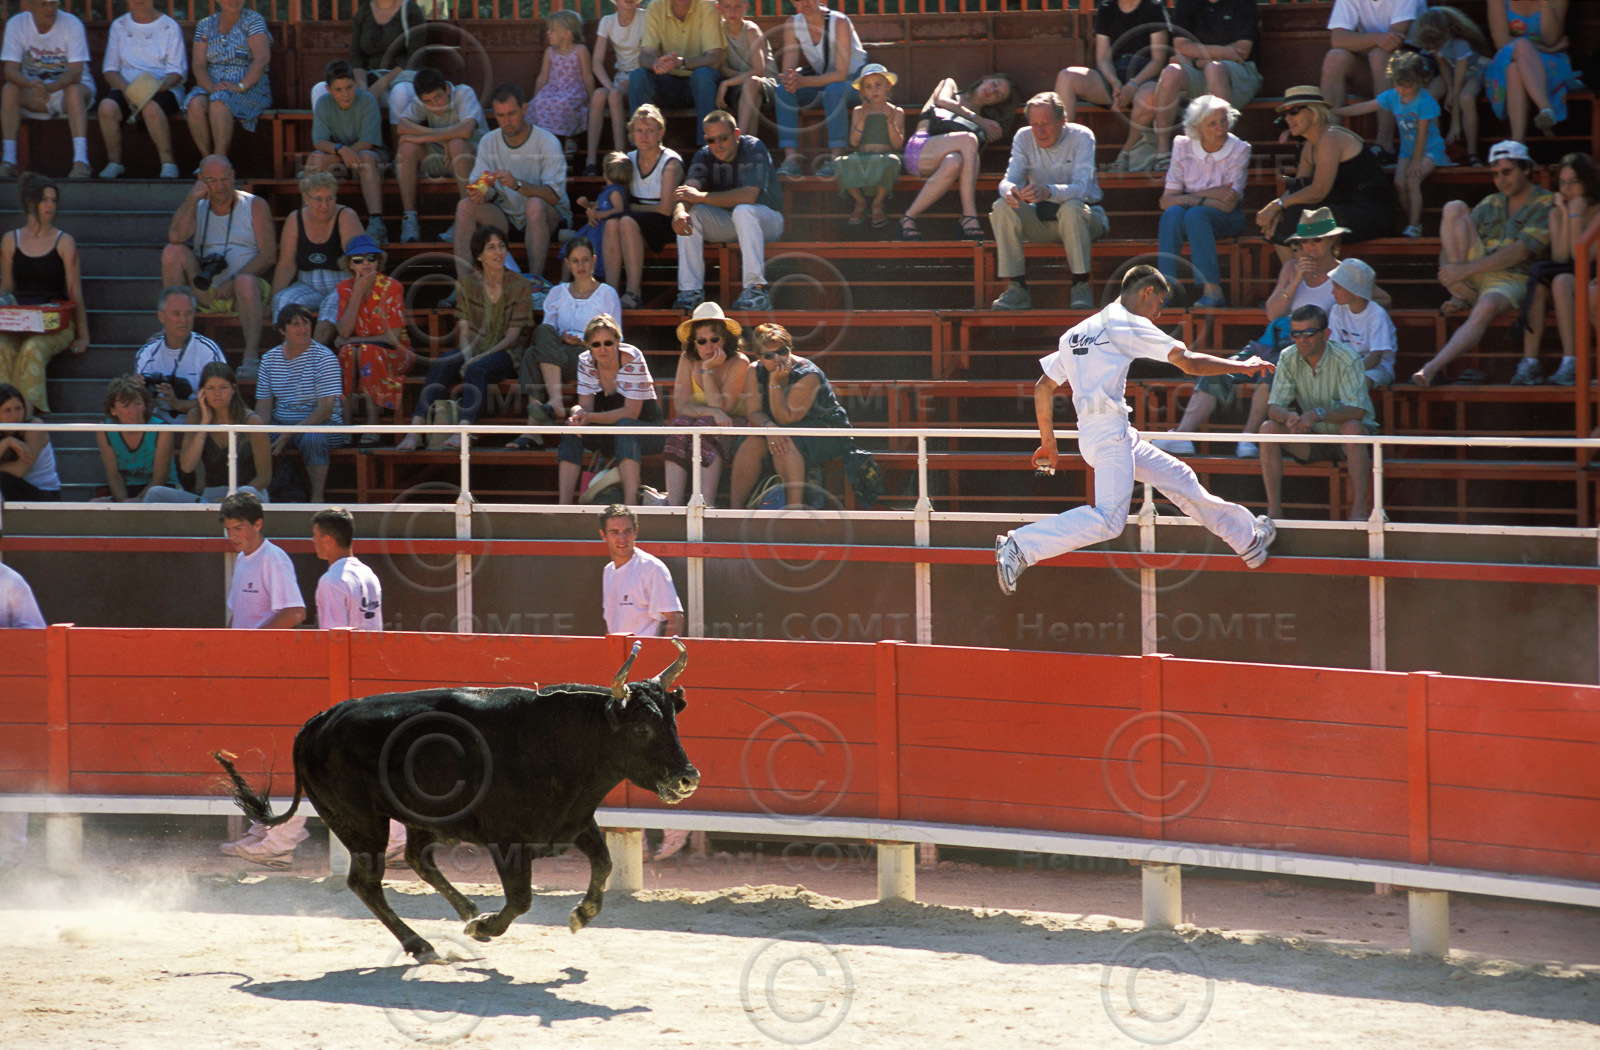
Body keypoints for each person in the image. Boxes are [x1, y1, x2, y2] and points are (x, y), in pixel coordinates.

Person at [993, 265, 1277, 597]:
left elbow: (1043, 387)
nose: (1159, 313)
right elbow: (1187, 361)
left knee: (1180, 477)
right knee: (1109, 520)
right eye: (1160, 303)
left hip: (1103, 435)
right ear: (1146, 292)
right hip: (1111, 436)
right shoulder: (1126, 323)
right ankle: (1020, 546)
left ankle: (1247, 539)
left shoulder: (1076, 333)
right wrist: (1241, 366)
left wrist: (1048, 442)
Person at [1153, 208, 1390, 459]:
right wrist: (1296, 280)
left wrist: (1351, 312)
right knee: (1219, 370)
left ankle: (1248, 438)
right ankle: (1184, 435)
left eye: (1316, 240)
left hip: (1309, 347)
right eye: (1304, 241)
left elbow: (1382, 300)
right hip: (1274, 339)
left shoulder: (1346, 274)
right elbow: (1271, 313)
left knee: (1270, 372)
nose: (1309, 246)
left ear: (1332, 240)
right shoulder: (1290, 267)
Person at [1412, 140, 1554, 388]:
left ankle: (1431, 367)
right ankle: (1460, 295)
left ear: (1526, 169)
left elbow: (1520, 252)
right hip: (1473, 273)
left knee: (1485, 307)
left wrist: (1460, 271)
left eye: (1507, 171)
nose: (1501, 179)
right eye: (1496, 173)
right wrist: (1448, 275)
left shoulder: (1545, 202)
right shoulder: (1491, 202)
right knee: (1454, 207)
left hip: (1515, 278)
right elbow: (1447, 248)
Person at [218, 490, 308, 868]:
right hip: (246, 670)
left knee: (273, 752)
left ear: (258, 524)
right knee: (255, 750)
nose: (234, 535)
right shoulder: (243, 559)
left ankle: (281, 837)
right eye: (228, 529)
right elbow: (237, 616)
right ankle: (266, 825)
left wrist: (253, 647)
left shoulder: (273, 558)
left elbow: (295, 612)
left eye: (240, 528)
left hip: (271, 671)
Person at [597, 501, 688, 860]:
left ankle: (674, 826)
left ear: (637, 532)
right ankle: (645, 836)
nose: (622, 538)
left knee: (653, 749)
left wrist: (659, 677)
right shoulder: (608, 571)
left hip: (646, 678)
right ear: (603, 535)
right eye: (615, 532)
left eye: (628, 531)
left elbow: (674, 618)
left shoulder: (651, 568)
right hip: (622, 677)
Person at [397, 226, 532, 452]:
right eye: (491, 247)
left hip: (507, 353)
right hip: (474, 348)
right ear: (479, 255)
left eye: (501, 246)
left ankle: (464, 430)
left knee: (477, 368)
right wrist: (468, 356)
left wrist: (478, 358)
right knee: (445, 360)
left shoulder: (520, 285)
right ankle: (415, 429)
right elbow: (465, 330)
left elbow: (513, 336)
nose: (499, 252)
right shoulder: (467, 284)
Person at [727, 322, 882, 510]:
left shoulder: (807, 374)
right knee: (752, 442)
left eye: (782, 351)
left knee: (785, 439)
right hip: (782, 427)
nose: (778, 359)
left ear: (790, 349)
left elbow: (786, 418)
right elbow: (754, 413)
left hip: (825, 429)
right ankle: (735, 509)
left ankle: (793, 508)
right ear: (759, 357)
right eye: (769, 355)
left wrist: (774, 382)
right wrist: (769, 427)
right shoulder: (754, 370)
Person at [1257, 304, 1378, 522]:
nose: (1302, 339)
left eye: (1309, 333)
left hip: (1350, 439)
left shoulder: (1347, 357)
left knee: (1352, 427)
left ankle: (1359, 512)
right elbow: (1273, 407)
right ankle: (1274, 513)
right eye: (1296, 334)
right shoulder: (1287, 356)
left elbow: (1357, 411)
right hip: (1311, 436)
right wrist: (1288, 417)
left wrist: (1317, 414)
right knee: (1268, 429)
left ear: (1326, 334)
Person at [452, 82, 567, 308]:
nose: (507, 121)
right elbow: (481, 186)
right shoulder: (489, 141)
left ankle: (535, 284)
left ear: (524, 109)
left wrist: (518, 185)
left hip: (547, 217)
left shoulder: (547, 141)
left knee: (533, 204)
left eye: (512, 114)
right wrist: (482, 194)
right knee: (465, 206)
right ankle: (464, 287)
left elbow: (553, 196)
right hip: (506, 217)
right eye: (500, 115)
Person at [989, 92, 1105, 312]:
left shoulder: (1082, 137)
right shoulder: (1023, 137)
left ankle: (1081, 284)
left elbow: (1082, 188)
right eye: (1034, 124)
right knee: (1002, 206)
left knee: (1071, 208)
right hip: (1041, 218)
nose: (1039, 131)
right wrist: (1010, 190)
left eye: (1045, 124)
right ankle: (1016, 287)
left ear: (1062, 121)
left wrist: (1047, 192)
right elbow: (1008, 180)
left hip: (1085, 217)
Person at [161, 157, 274, 381]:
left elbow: (269, 255)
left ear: (233, 176)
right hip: (208, 287)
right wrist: (193, 197)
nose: (220, 186)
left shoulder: (254, 204)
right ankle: (174, 341)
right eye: (212, 180)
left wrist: (233, 281)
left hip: (246, 286)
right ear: (201, 180)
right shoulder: (199, 205)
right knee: (172, 252)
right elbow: (176, 236)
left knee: (244, 282)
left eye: (225, 179)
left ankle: (250, 357)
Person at [1255, 87, 1398, 260]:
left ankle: (1306, 281)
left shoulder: (1331, 137)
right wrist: (1277, 211)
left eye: (1294, 111)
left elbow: (1318, 191)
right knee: (1283, 221)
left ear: (1314, 111)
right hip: (1342, 208)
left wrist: (1277, 205)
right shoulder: (1310, 146)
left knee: (1299, 218)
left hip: (1370, 213)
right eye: (1285, 114)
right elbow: (1298, 187)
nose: (1288, 118)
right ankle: (1295, 281)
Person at [671, 108, 783, 313]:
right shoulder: (704, 155)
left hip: (767, 219)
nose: (718, 145)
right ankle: (690, 291)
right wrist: (679, 211)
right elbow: (688, 189)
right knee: (691, 215)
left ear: (737, 134)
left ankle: (755, 289)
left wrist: (701, 197)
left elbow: (749, 196)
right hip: (731, 220)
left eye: (723, 138)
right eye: (712, 140)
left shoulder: (753, 147)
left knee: (743, 210)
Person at [1335, 51, 1449, 238]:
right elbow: (1365, 107)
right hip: (1407, 150)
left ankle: (1414, 225)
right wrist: (1338, 111)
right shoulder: (1392, 96)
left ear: (1419, 80)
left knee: (1413, 180)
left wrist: (1416, 161)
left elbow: (1422, 134)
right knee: (1398, 183)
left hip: (1429, 149)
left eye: (1408, 86)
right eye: (1398, 85)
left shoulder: (1425, 100)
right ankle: (1412, 220)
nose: (1402, 90)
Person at [0, 172, 87, 414]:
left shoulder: (64, 241)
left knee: (32, 349)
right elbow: (6, 288)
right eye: (44, 200)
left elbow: (74, 291)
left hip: (54, 321)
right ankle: (3, 413)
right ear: (30, 203)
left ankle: (25, 414)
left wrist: (83, 335)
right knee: (2, 348)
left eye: (53, 200)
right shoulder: (10, 240)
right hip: (20, 319)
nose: (50, 206)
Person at [1512, 152, 1599, 387]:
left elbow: (1580, 256)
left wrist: (1575, 215)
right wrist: (1564, 214)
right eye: (1562, 182)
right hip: (1570, 275)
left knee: (1561, 281)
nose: (1567, 189)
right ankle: (1533, 362)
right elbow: (1562, 256)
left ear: (1588, 182)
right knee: (1545, 283)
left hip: (1592, 275)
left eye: (1574, 182)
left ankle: (1573, 361)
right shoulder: (1557, 212)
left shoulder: (1597, 212)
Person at [1143, 0, 1262, 169]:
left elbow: (1241, 50)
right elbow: (1181, 45)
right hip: (1200, 68)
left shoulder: (1244, 3)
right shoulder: (1186, 4)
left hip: (1241, 72)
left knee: (1214, 69)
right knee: (1171, 72)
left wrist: (1197, 60)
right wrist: (1219, 53)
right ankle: (1162, 152)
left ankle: (1223, 150)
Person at [557, 313, 662, 505]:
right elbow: (586, 405)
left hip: (647, 430)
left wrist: (589, 417)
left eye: (608, 343)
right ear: (589, 346)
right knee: (571, 430)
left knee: (624, 427)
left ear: (618, 342)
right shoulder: (586, 361)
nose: (602, 349)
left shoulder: (632, 358)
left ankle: (630, 507)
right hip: (609, 430)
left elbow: (631, 413)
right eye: (596, 344)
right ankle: (563, 506)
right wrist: (577, 414)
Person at [1055, 0, 1171, 173]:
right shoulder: (1106, 8)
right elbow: (1103, 58)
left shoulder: (1154, 7)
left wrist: (1132, 85)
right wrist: (1115, 83)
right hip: (1113, 76)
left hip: (1145, 78)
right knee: (1066, 76)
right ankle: (1062, 155)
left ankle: (1124, 153)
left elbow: (1158, 59)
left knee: (1151, 95)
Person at [1157, 93, 1249, 309]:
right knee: (1173, 214)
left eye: (1224, 121)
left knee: (1194, 214)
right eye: (1213, 124)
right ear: (1198, 128)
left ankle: (1212, 291)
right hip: (1190, 214)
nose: (1221, 129)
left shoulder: (1240, 149)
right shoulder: (1182, 146)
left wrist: (1187, 200)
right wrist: (1209, 195)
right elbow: (1166, 202)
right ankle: (1165, 288)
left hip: (1229, 218)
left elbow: (1227, 204)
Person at [900, 73, 1015, 241]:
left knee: (955, 160)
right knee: (969, 139)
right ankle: (969, 215)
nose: (992, 91)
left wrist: (986, 130)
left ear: (997, 103)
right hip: (919, 150)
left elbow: (971, 158)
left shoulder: (984, 123)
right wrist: (979, 121)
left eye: (998, 95)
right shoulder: (950, 85)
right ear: (985, 79)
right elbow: (941, 100)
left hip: (946, 164)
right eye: (994, 84)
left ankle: (908, 218)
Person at [523, 234, 620, 430]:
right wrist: (562, 337)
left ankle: (534, 428)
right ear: (567, 263)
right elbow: (547, 334)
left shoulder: (607, 294)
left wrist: (584, 343)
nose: (581, 266)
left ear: (594, 260)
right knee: (540, 335)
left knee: (531, 355)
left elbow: (617, 340)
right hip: (561, 355)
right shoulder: (557, 292)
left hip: (592, 356)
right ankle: (554, 401)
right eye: (575, 261)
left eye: (585, 260)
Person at [322, 235, 412, 445]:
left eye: (371, 258)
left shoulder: (392, 286)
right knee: (349, 352)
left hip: (395, 353)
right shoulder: (344, 288)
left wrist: (353, 340)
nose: (366, 263)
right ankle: (346, 422)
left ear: (378, 261)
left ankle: (373, 421)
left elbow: (394, 337)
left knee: (364, 350)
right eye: (358, 260)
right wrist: (358, 292)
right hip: (358, 353)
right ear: (349, 264)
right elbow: (343, 332)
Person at [142, 360, 272, 504]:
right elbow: (187, 466)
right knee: (156, 494)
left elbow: (264, 477)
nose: (217, 393)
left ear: (233, 389)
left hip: (249, 495)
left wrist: (232, 500)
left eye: (223, 387)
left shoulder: (252, 421)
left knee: (247, 492)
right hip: (212, 497)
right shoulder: (195, 417)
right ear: (202, 392)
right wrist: (204, 423)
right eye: (211, 388)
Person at [254, 303, 345, 503]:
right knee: (251, 435)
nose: (303, 329)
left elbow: (326, 410)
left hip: (324, 425)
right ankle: (255, 495)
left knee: (313, 438)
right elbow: (263, 407)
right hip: (282, 425)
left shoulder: (325, 358)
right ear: (281, 330)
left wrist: (291, 431)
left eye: (305, 323)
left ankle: (317, 498)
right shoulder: (269, 359)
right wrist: (260, 432)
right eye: (295, 324)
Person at [663, 301, 748, 505]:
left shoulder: (740, 362)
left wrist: (707, 370)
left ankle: (704, 504)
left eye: (714, 339)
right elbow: (681, 406)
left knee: (705, 426)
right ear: (693, 343)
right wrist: (710, 411)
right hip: (707, 422)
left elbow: (724, 409)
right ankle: (672, 505)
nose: (708, 346)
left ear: (725, 339)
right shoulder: (687, 359)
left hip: (737, 427)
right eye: (702, 341)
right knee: (679, 425)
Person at [0, 0, 95, 178]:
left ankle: (81, 162)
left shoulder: (72, 23)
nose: (50, 9)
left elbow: (76, 72)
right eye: (43, 4)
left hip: (70, 91)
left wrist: (50, 88)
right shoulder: (16, 24)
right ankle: (9, 160)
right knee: (9, 89)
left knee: (74, 91)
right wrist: (31, 85)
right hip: (35, 91)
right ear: (30, 6)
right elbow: (10, 70)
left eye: (53, 3)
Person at [1320, 0, 1425, 160]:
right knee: (1335, 58)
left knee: (1379, 55)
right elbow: (1338, 39)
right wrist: (1376, 38)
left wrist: (1362, 41)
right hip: (1376, 73)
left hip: (1415, 73)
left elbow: (1394, 40)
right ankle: (1329, 143)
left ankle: (1384, 145)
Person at [773, 0, 867, 178]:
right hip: (821, 81)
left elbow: (840, 74)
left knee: (834, 90)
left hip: (854, 83)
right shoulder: (793, 23)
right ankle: (791, 160)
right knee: (783, 91)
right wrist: (791, 81)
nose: (805, 2)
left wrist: (803, 82)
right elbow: (788, 72)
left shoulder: (839, 22)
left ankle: (836, 159)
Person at [96, 0, 187, 180]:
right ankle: (115, 162)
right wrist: (130, 91)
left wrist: (151, 90)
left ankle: (168, 163)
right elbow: (110, 70)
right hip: (125, 87)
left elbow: (176, 72)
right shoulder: (119, 25)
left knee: (150, 107)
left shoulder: (169, 26)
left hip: (161, 88)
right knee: (107, 107)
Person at [606, 103, 683, 310]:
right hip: (636, 218)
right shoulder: (628, 160)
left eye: (650, 131)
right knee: (612, 223)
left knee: (626, 221)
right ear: (631, 133)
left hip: (665, 222)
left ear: (661, 132)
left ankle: (633, 291)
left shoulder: (670, 162)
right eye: (639, 130)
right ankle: (610, 292)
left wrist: (628, 209)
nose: (644, 136)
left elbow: (665, 209)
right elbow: (613, 193)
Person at [304, 60, 390, 245]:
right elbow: (319, 141)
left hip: (372, 154)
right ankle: (309, 220)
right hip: (341, 153)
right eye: (338, 89)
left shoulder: (367, 100)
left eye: (349, 87)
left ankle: (377, 222)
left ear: (355, 84)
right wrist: (341, 150)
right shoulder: (324, 103)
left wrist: (343, 154)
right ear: (329, 89)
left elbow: (368, 142)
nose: (345, 94)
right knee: (314, 160)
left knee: (366, 158)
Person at [395, 67, 483, 244]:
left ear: (447, 89)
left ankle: (466, 217)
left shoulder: (464, 93)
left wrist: (429, 137)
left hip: (474, 160)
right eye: (428, 101)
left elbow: (466, 131)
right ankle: (410, 219)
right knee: (406, 149)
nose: (436, 105)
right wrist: (443, 139)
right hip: (442, 157)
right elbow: (402, 127)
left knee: (456, 144)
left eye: (438, 97)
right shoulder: (424, 101)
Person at [183, 0, 272, 162]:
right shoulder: (205, 25)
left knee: (220, 101)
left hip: (249, 86)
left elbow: (262, 59)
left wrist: (241, 85)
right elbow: (199, 64)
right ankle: (206, 160)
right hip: (211, 83)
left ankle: (220, 160)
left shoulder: (253, 20)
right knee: (195, 103)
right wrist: (210, 86)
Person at [270, 170, 362, 325]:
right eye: (318, 199)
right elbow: (286, 266)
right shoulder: (295, 219)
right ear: (306, 198)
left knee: (329, 307)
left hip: (341, 282)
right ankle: (289, 348)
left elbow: (359, 262)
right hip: (308, 284)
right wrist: (272, 300)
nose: (324, 206)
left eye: (330, 199)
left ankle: (318, 349)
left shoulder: (346, 216)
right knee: (282, 301)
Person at [630, 0, 725, 148]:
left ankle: (707, 149)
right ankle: (640, 150)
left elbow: (714, 58)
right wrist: (657, 64)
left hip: (701, 84)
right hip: (668, 82)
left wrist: (682, 63)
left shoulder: (707, 6)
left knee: (703, 75)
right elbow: (645, 56)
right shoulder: (656, 6)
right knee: (638, 76)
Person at [0, 548, 43, 871]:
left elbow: (34, 636)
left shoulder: (9, 581)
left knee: (10, 772)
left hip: (6, 694)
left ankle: (9, 859)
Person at [1485, 0, 1580, 143]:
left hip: (1550, 61)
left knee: (1515, 68)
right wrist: (1543, 48)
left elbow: (1551, 39)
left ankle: (1518, 143)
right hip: (1509, 56)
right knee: (1517, 56)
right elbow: (1502, 42)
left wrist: (1545, 3)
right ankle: (1546, 109)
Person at [1409, 5, 1491, 166]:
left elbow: (1460, 81)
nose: (1433, 50)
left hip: (1473, 73)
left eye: (1435, 46)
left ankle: (1472, 152)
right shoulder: (1435, 45)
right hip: (1452, 72)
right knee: (1428, 97)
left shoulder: (1460, 44)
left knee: (1466, 98)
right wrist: (1449, 90)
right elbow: (1444, 67)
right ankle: (1435, 149)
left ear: (1447, 32)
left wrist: (1455, 123)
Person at [321, 0, 425, 122]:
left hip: (401, 78)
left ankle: (399, 139)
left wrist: (379, 86)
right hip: (370, 77)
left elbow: (414, 55)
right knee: (321, 89)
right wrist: (363, 88)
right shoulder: (363, 12)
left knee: (400, 93)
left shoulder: (411, 10)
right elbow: (356, 56)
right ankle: (333, 140)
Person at [134, 287, 225, 420]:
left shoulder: (208, 350)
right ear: (161, 316)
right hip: (158, 426)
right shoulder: (147, 352)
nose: (183, 320)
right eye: (176, 314)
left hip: (200, 424)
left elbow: (221, 399)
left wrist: (178, 404)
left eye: (188, 313)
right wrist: (137, 390)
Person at [834, 63, 904, 230]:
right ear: (863, 92)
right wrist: (863, 121)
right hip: (863, 157)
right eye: (868, 87)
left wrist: (890, 123)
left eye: (878, 85)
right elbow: (853, 142)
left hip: (884, 157)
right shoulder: (859, 111)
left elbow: (898, 144)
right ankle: (860, 202)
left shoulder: (897, 112)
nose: (874, 90)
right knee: (840, 162)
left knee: (893, 161)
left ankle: (878, 203)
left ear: (888, 87)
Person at [586, 0, 646, 175]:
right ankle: (591, 161)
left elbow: (653, 51)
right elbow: (596, 62)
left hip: (640, 77)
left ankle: (621, 156)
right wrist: (609, 86)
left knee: (613, 96)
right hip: (619, 79)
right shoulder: (607, 21)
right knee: (598, 95)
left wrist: (633, 78)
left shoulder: (646, 16)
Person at [93, 376, 172, 503]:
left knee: (132, 503)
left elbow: (159, 479)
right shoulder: (104, 430)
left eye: (138, 404)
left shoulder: (162, 429)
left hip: (159, 490)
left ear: (145, 405)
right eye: (126, 406)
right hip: (126, 490)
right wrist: (124, 504)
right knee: (95, 504)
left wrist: (134, 504)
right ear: (113, 410)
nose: (134, 411)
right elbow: (114, 476)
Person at [1327, 258, 1396, 390]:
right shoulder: (1336, 310)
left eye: (1337, 287)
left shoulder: (1377, 314)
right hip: (1345, 369)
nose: (1332, 292)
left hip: (1377, 369)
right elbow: (1334, 349)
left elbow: (1376, 357)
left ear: (1356, 293)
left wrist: (1351, 373)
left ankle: (1350, 409)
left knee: (1359, 382)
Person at [529, 8, 593, 144]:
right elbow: (543, 77)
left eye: (552, 30)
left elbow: (587, 76)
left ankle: (570, 137)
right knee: (539, 103)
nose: (548, 33)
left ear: (567, 33)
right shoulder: (550, 52)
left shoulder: (580, 50)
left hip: (573, 91)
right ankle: (542, 138)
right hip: (553, 90)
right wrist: (535, 97)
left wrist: (591, 98)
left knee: (563, 104)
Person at [713, 0, 773, 142]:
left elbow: (759, 70)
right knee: (753, 97)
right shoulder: (719, 30)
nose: (732, 12)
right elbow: (722, 67)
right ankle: (748, 145)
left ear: (746, 7)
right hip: (743, 87)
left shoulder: (750, 30)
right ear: (719, 8)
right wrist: (739, 80)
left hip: (768, 85)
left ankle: (737, 139)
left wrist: (726, 83)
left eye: (737, 6)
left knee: (751, 82)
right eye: (727, 7)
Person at [571, 152, 631, 281]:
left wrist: (599, 215)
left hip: (603, 230)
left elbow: (619, 209)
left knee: (593, 252)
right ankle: (565, 282)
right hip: (595, 227)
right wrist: (586, 204)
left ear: (606, 172)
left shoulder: (615, 191)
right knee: (572, 246)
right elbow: (598, 205)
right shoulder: (607, 191)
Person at [0, 380, 58, 500]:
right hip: (10, 492)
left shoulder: (34, 426)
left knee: (2, 479)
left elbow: (20, 470)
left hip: (44, 493)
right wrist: (6, 442)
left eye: (18, 408)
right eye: (7, 410)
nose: (14, 415)